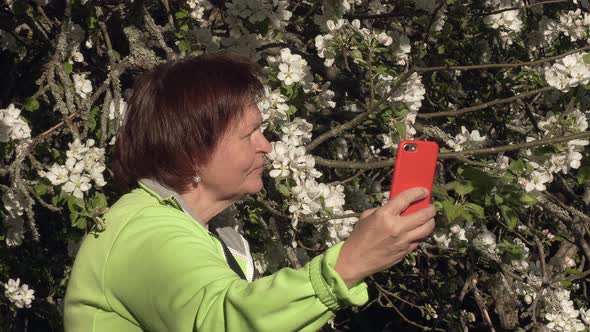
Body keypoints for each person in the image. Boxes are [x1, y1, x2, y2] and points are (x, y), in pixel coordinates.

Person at [63, 53, 436, 331]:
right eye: (249, 134)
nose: (268, 146)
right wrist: (349, 264)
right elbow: (222, 320)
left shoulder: (181, 228)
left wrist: (361, 252)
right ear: (193, 152)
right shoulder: (145, 230)